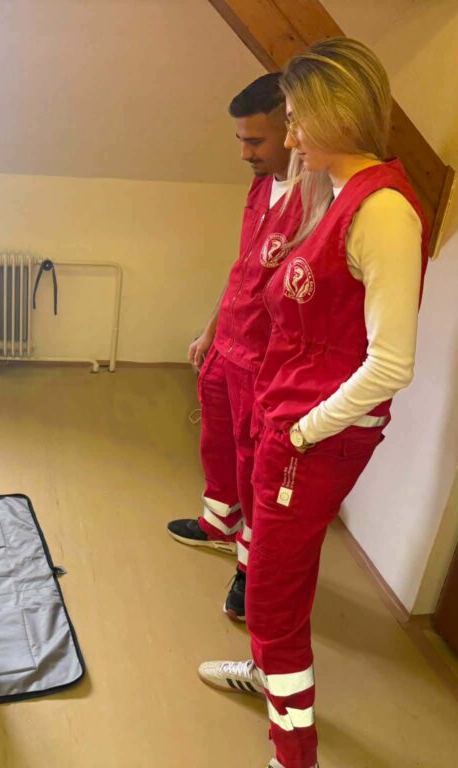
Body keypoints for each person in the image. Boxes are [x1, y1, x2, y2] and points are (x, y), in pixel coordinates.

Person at [197, 39, 430, 768]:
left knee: (270, 596)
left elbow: (391, 364)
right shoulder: (333, 196)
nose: (291, 136)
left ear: (337, 113)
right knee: (280, 580)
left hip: (315, 437)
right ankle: (267, 673)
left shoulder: (385, 212)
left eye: (297, 119)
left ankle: (294, 753)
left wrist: (302, 431)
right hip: (289, 421)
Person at [167, 72, 302, 621]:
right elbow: (244, 268)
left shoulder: (316, 200)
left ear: (292, 128)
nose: (245, 153)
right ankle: (218, 522)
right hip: (229, 345)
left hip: (264, 364)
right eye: (241, 140)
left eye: (256, 141)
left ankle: (250, 568)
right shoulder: (262, 185)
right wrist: (211, 330)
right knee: (217, 446)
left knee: (255, 471)